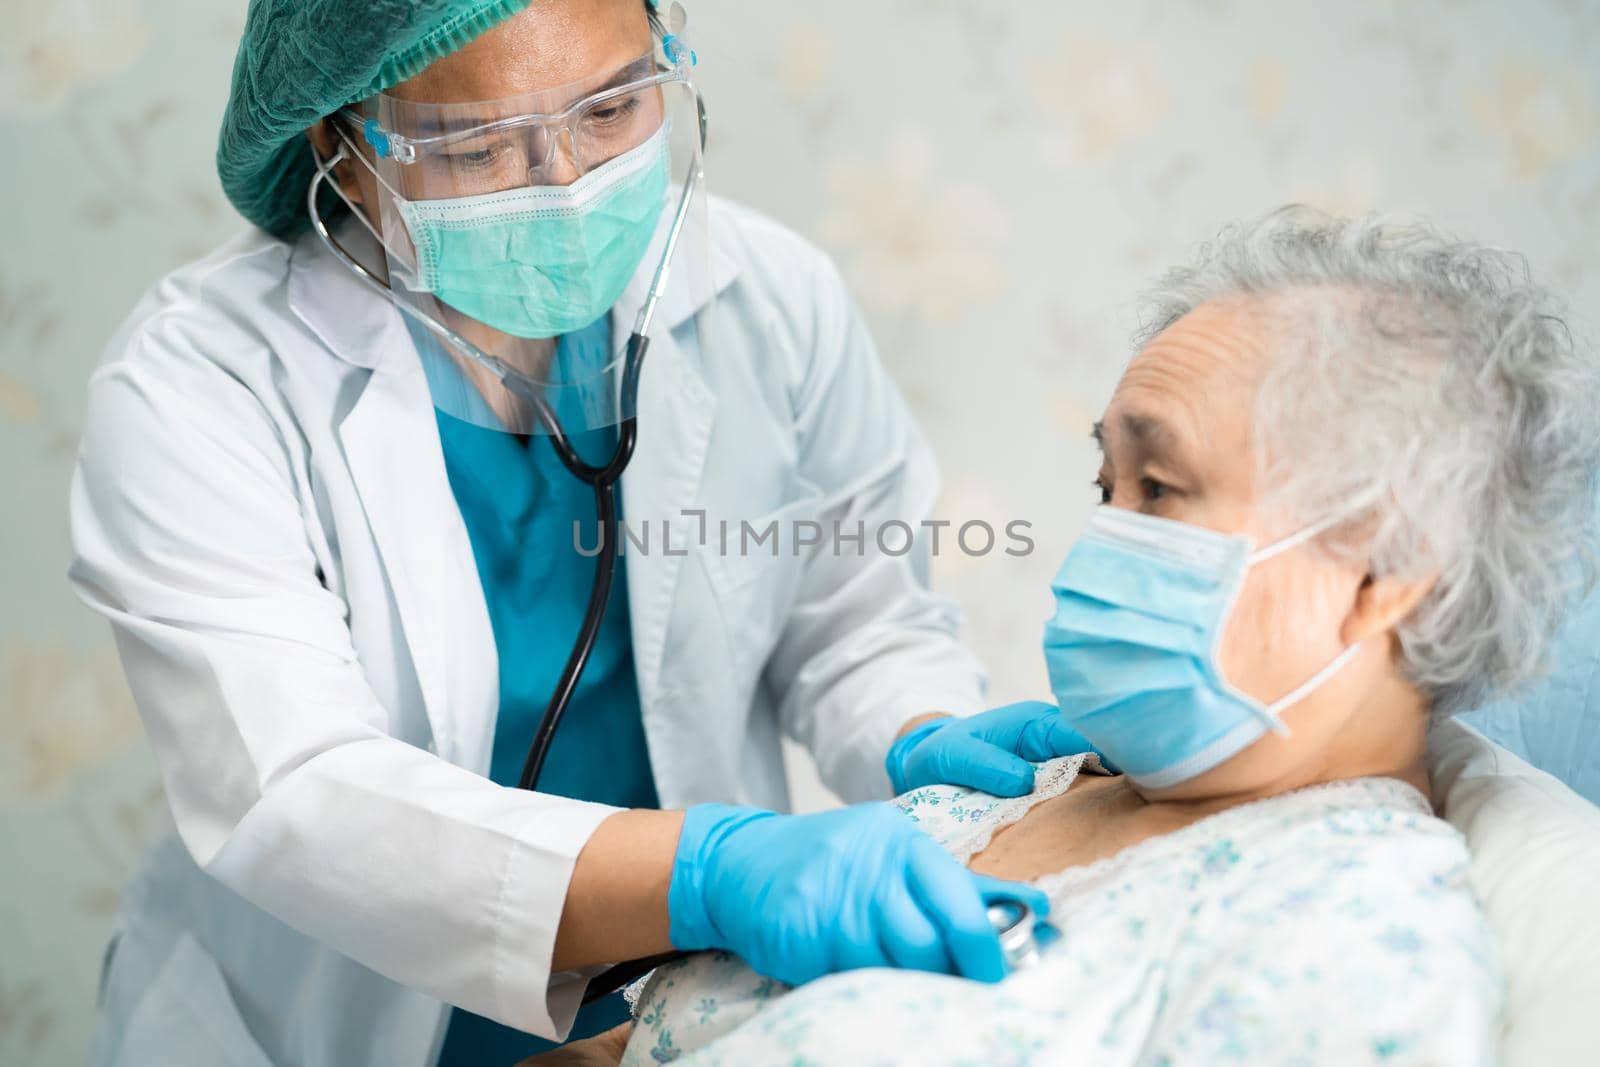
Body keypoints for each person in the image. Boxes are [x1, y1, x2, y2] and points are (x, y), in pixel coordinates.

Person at [67, 1, 1094, 1064]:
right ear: (341, 141)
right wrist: (709, 868)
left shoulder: (771, 300)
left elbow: (852, 620)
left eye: (610, 107)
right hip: (330, 1022)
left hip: (673, 1008)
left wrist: (913, 726)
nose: (562, 181)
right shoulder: (202, 384)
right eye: (475, 145)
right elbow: (297, 789)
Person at [535, 206, 1600, 1066]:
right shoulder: (1016, 792)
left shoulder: (1352, 938)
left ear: (1388, 572)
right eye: (1107, 484)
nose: (1102, 540)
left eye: (1162, 488)